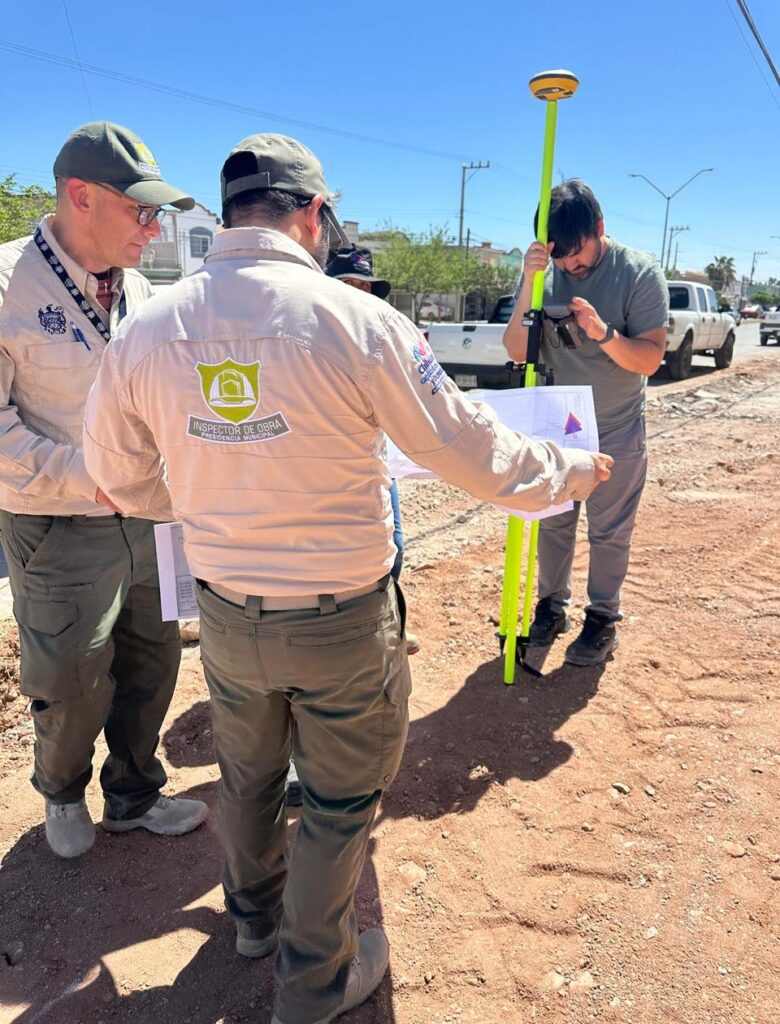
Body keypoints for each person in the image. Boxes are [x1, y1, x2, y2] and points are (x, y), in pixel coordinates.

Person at [82, 133, 612, 1024]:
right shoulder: (358, 322)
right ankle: (314, 984)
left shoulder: (146, 328)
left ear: (227, 213)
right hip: (340, 620)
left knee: (249, 774)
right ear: (314, 215)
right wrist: (568, 471)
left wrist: (210, 495)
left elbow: (115, 477)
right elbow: (469, 450)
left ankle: (254, 920)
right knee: (337, 802)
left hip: (227, 615)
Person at [0, 121, 208, 859]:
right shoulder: (8, 285)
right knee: (71, 673)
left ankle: (135, 794)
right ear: (80, 196)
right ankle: (61, 791)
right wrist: (91, 479)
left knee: (153, 658)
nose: (154, 228)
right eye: (141, 210)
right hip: (59, 522)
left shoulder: (143, 290)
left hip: (148, 516)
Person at [503, 179, 669, 666]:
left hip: (616, 427)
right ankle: (551, 607)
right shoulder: (544, 272)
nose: (569, 268)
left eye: (577, 256)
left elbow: (650, 359)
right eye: (561, 259)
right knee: (553, 524)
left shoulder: (639, 273)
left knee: (609, 531)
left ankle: (602, 618)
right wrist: (529, 284)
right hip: (558, 430)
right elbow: (515, 348)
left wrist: (603, 333)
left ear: (600, 227)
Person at [326, 245, 420, 654]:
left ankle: (389, 629)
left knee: (392, 548)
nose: (358, 292)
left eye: (365, 286)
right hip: (332, 468)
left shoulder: (378, 338)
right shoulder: (313, 340)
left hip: (380, 460)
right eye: (348, 283)